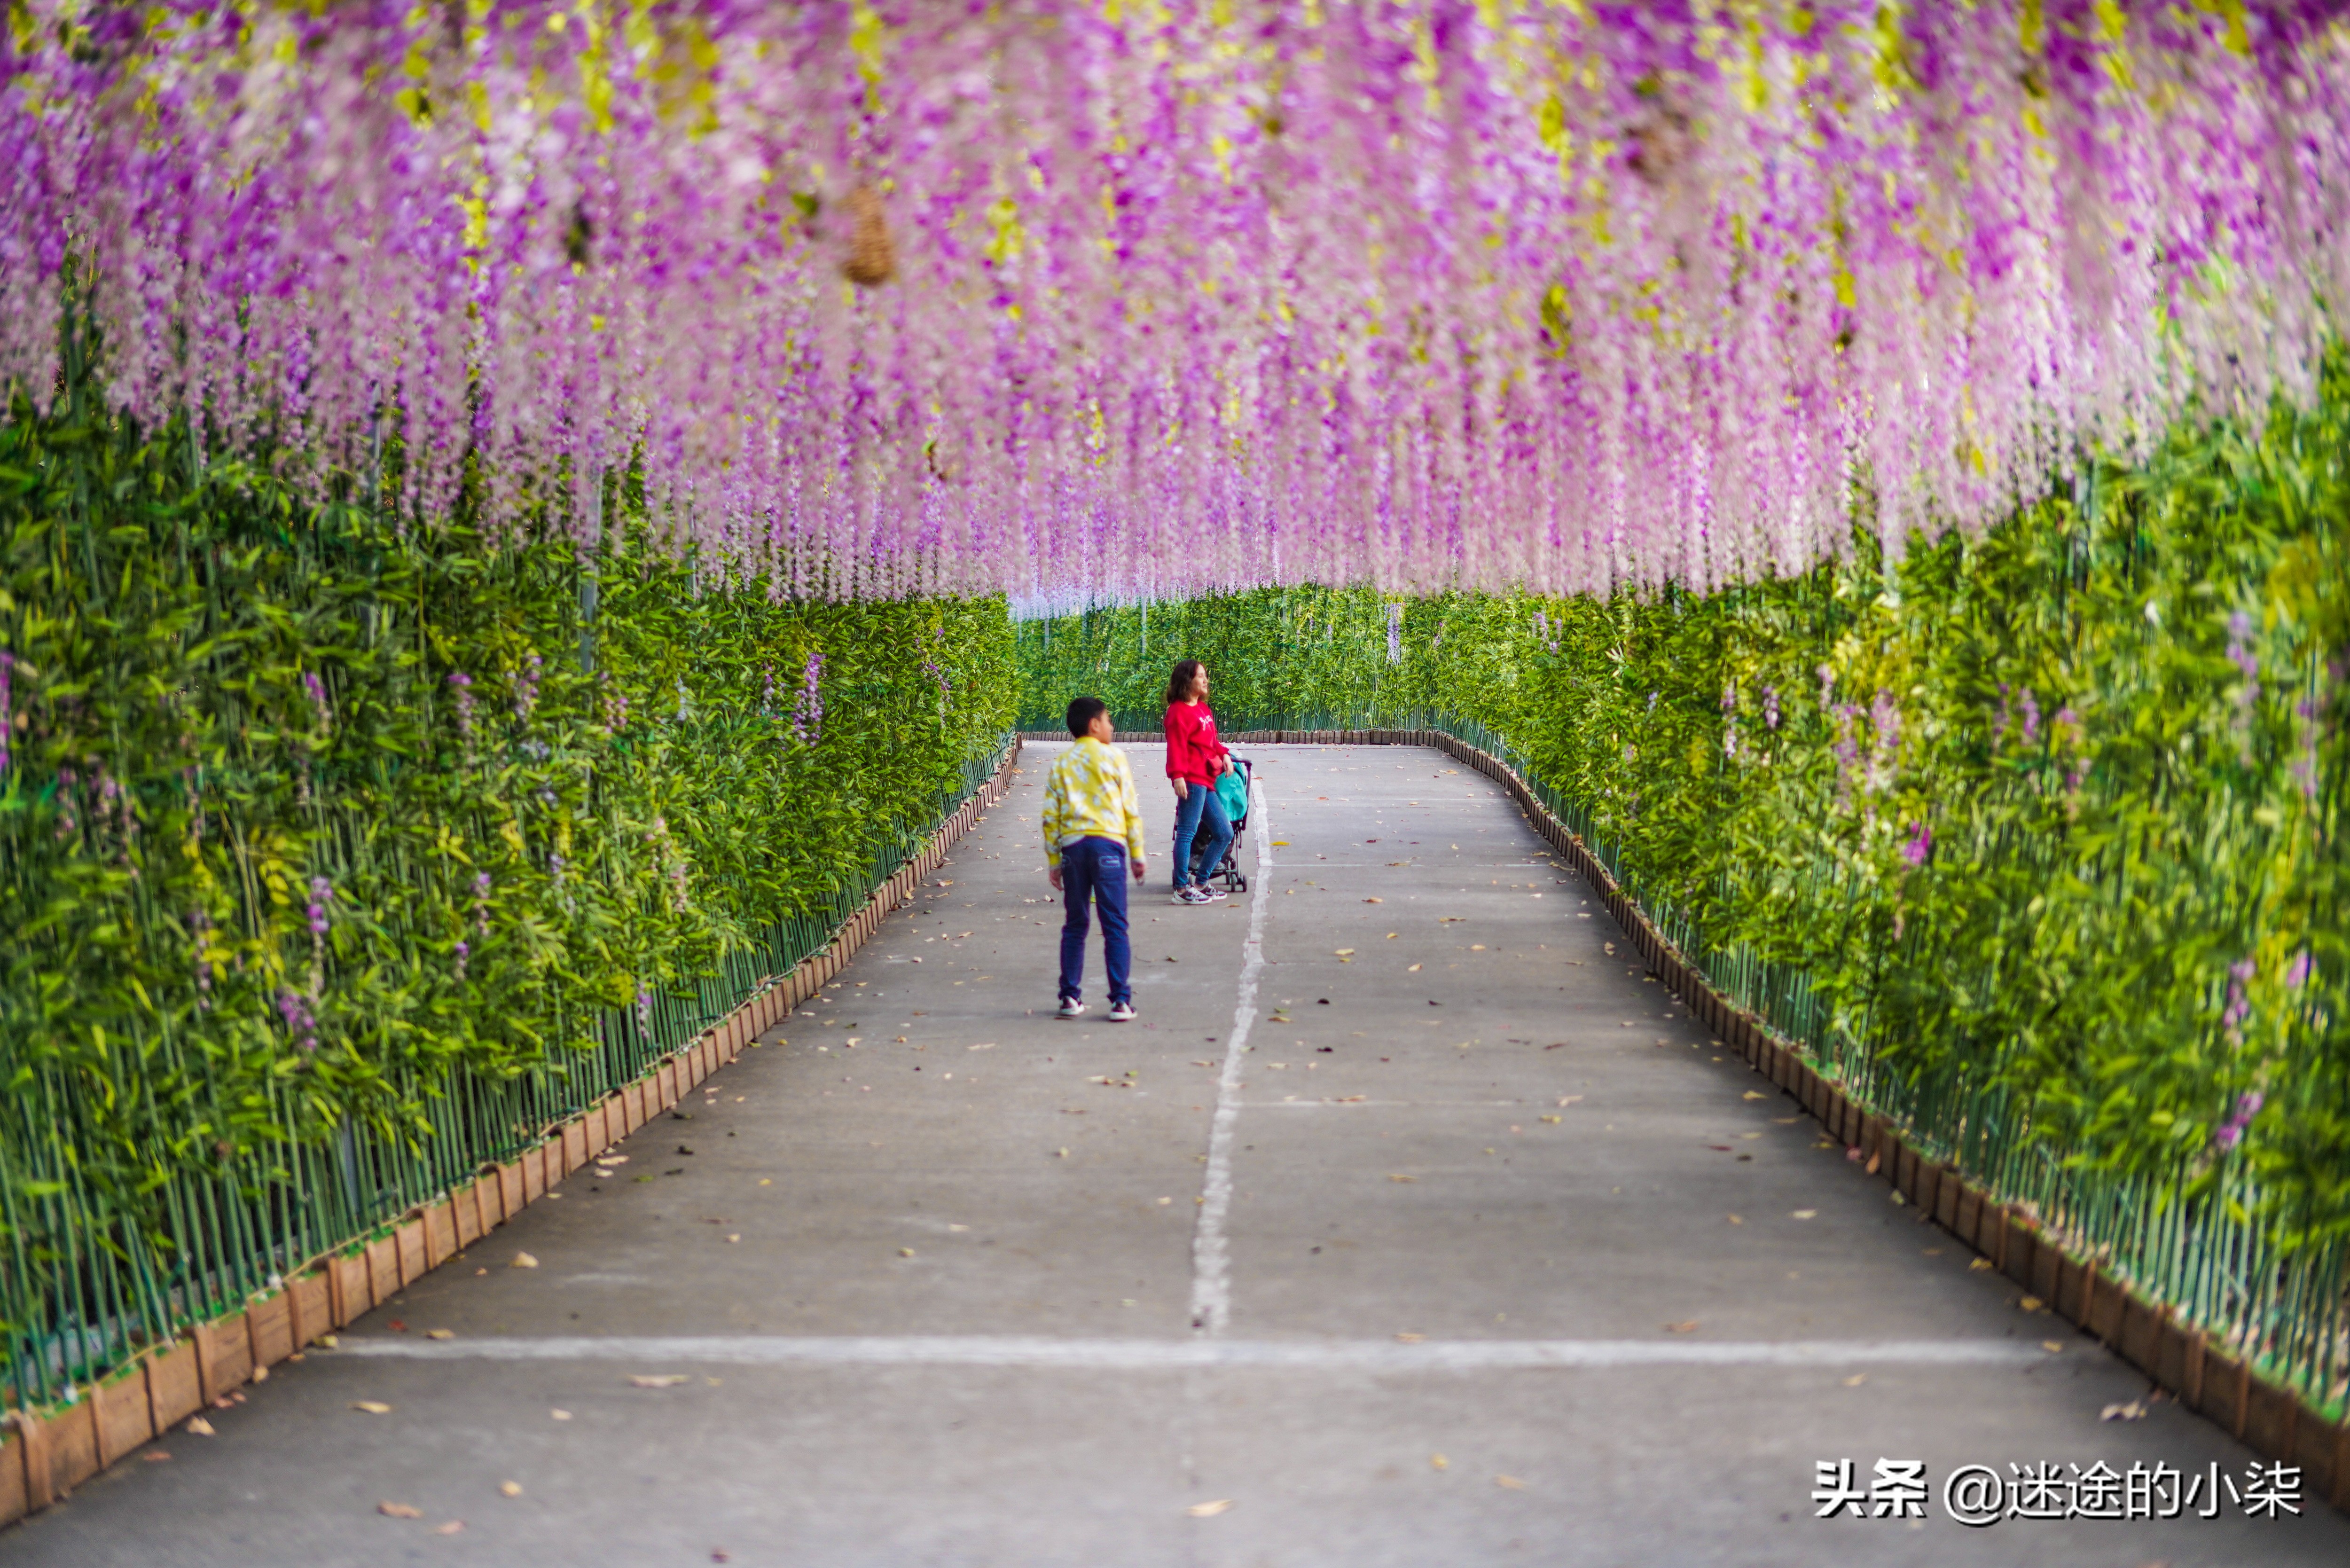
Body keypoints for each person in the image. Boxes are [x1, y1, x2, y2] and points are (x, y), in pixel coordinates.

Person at [1041, 696, 1147, 1021]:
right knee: (1115, 924)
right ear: (1094, 725)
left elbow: (1050, 817)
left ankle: (1069, 998)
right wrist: (1138, 854)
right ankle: (1120, 1002)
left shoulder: (1061, 764)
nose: (1112, 726)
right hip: (1108, 848)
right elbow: (1130, 810)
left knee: (1075, 924)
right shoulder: (1115, 758)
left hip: (1073, 850)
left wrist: (1054, 861)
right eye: (1108, 720)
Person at [1162, 658, 1234, 905]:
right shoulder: (1178, 712)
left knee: (1224, 832)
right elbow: (1176, 748)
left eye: (1206, 676)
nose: (1206, 680)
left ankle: (1201, 882)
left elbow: (1211, 742)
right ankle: (1181, 889)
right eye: (1200, 676)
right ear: (1187, 680)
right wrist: (1177, 776)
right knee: (1186, 833)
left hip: (1206, 778)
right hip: (1191, 779)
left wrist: (1224, 754)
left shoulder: (1203, 710)